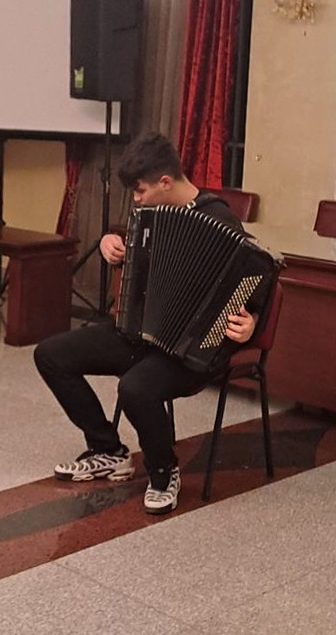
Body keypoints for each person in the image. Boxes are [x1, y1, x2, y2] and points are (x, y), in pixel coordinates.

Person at [34, 131, 258, 516]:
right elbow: (136, 263)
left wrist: (250, 322)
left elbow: (251, 286)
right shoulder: (150, 216)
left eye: (140, 191)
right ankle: (108, 450)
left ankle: (163, 471)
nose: (136, 200)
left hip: (191, 351)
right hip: (140, 332)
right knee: (51, 355)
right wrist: (111, 245)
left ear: (165, 182)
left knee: (135, 387)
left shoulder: (220, 220)